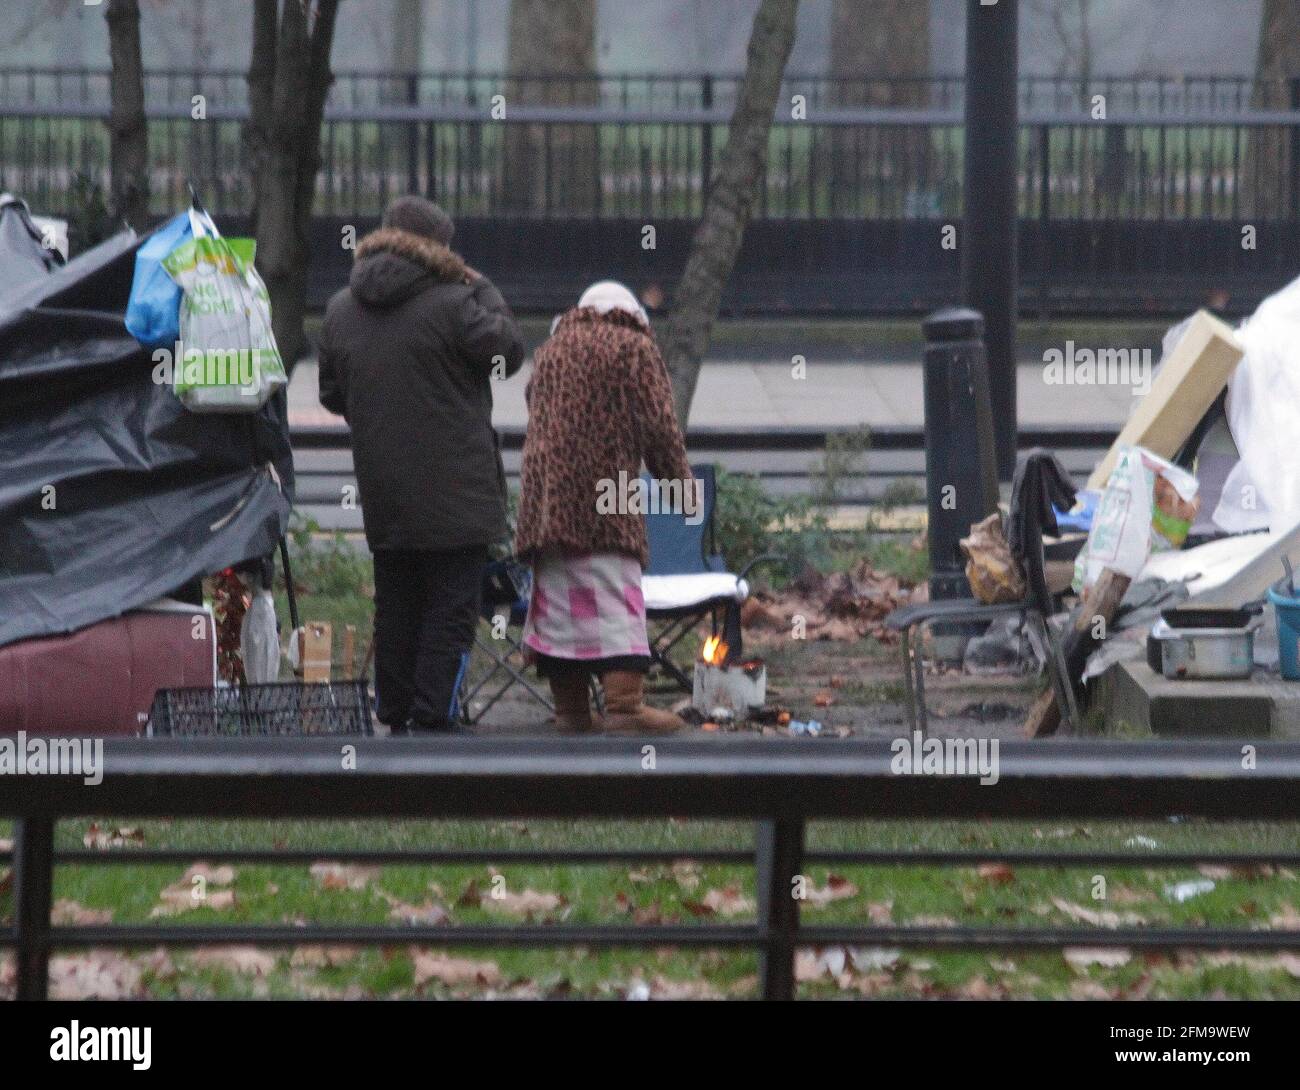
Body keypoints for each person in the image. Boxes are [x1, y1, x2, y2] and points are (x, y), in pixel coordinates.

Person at [318, 196, 525, 734]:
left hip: (384, 489)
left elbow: (331, 394)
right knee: (451, 608)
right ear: (439, 249)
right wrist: (478, 285)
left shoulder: (341, 308)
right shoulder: (457, 304)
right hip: (457, 491)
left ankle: (394, 708)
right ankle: (435, 715)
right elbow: (508, 350)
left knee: (398, 605)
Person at [515, 281, 692, 734]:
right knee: (615, 597)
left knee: (561, 605)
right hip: (606, 499)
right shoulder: (633, 348)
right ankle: (625, 708)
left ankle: (572, 711)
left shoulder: (550, 351)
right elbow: (660, 427)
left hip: (547, 504)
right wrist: (681, 490)